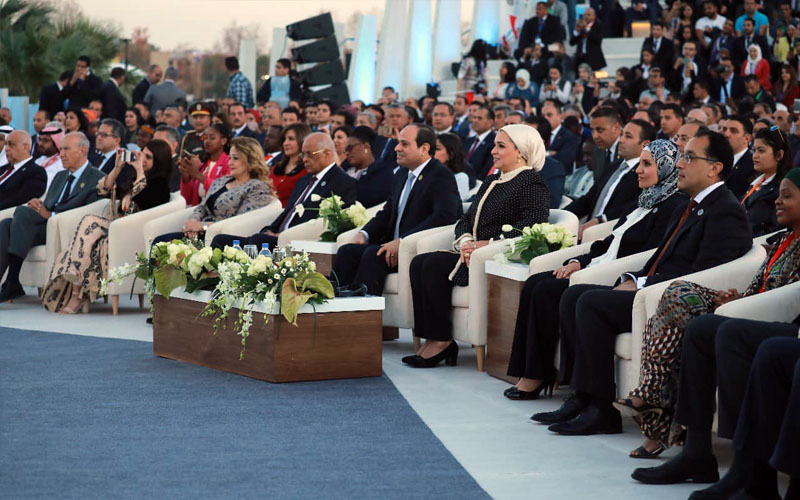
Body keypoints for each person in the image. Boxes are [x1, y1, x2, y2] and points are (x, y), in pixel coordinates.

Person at [534, 129, 752, 437]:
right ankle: (582, 396)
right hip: (654, 287)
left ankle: (601, 410)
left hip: (672, 301)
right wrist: (634, 279)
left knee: (591, 302)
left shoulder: (725, 210)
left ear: (715, 168)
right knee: (574, 295)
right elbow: (660, 257)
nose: (680, 164)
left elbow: (703, 274)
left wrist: (643, 284)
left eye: (689, 157)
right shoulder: (690, 203)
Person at [616, 169, 800, 460]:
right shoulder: (783, 241)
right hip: (747, 307)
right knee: (677, 294)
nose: (777, 201)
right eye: (778, 195)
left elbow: (783, 297)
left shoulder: (731, 212)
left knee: (696, 325)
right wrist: (736, 299)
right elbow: (759, 289)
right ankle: (674, 426)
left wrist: (743, 304)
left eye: (787, 196)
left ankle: (656, 408)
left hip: (769, 319)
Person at [505, 139, 685, 400]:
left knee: (547, 290)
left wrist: (589, 268)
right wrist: (579, 261)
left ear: (666, 167)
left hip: (616, 273)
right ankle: (530, 370)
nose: (638, 170)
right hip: (598, 264)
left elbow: (647, 254)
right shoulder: (645, 200)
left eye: (647, 164)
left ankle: (547, 378)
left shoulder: (673, 206)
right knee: (535, 282)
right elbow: (609, 241)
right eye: (640, 163)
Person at [406, 124, 551, 368]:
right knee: (419, 262)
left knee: (432, 264)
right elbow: (465, 219)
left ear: (521, 151)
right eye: (494, 145)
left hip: (494, 256)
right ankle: (431, 337)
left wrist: (487, 245)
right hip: (470, 252)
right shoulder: (492, 180)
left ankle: (442, 341)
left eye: (501, 146)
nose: (493, 151)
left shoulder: (532, 182)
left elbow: (532, 226)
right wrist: (465, 242)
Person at [42, 140, 173, 314]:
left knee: (90, 222)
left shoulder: (160, 185)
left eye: (148, 157)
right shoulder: (134, 178)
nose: (143, 160)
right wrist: (117, 168)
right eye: (142, 155)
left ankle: (76, 283)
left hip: (132, 234)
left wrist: (140, 170)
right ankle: (75, 290)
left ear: (159, 161)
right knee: (87, 237)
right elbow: (104, 190)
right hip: (115, 229)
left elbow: (142, 199)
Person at [332, 125, 462, 296]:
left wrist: (402, 241)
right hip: (391, 246)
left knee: (373, 254)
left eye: (404, 144)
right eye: (398, 142)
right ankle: (334, 303)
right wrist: (364, 234)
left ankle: (364, 308)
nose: (396, 148)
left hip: (415, 249)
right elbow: (387, 212)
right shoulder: (401, 173)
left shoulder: (441, 175)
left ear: (424, 149)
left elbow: (444, 217)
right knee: (347, 251)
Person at [0, 133, 105, 303]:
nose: (61, 154)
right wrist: (39, 205)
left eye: (66, 149)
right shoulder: (60, 176)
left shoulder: (97, 178)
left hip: (66, 230)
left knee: (21, 213)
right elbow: (49, 204)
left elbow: (88, 214)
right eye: (60, 149)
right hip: (46, 227)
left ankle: (12, 280)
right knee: (7, 224)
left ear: (82, 150)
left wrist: (51, 215)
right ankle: (10, 283)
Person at [209, 133, 356, 251]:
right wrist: (269, 230)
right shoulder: (304, 180)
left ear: (327, 154)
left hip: (297, 242)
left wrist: (282, 235)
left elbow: (327, 223)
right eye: (303, 155)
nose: (304, 159)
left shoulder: (343, 182)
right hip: (275, 238)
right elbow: (288, 212)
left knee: (258, 241)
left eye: (310, 154)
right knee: (221, 240)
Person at [565, 114, 650, 240]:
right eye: (622, 135)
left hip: (611, 235)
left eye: (628, 136)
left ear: (645, 144)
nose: (620, 140)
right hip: (586, 231)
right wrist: (562, 215)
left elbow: (633, 207)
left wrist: (600, 220)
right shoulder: (614, 166)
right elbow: (589, 198)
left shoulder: (645, 173)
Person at [741, 126, 793, 236]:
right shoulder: (755, 182)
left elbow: (778, 230)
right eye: (754, 150)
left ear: (779, 155)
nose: (755, 156)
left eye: (761, 150)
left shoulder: (784, 189)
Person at [179, 123, 231, 206]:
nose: (207, 141)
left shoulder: (229, 163)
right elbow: (187, 199)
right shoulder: (204, 165)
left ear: (223, 141)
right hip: (198, 209)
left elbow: (222, 191)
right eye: (205, 138)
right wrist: (186, 177)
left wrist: (197, 175)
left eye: (212, 138)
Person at [343, 126, 393, 208]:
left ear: (366, 146)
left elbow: (367, 197)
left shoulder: (382, 170)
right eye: (346, 150)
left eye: (350, 148)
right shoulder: (344, 167)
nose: (347, 153)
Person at [0, 131, 47, 210]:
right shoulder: (3, 169)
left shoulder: (36, 172)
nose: (6, 149)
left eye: (11, 144)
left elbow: (20, 200)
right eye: (6, 144)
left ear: (25, 147)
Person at [268, 123, 310, 207]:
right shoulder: (276, 168)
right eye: (284, 139)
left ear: (302, 141)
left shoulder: (307, 170)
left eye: (291, 139)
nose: (285, 143)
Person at [722, 115, 756, 198]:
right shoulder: (713, 158)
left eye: (733, 131)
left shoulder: (753, 165)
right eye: (725, 129)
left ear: (747, 138)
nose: (726, 134)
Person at [542, 100, 578, 174]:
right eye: (543, 116)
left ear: (560, 116)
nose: (545, 118)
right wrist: (549, 154)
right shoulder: (538, 134)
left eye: (549, 115)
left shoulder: (570, 137)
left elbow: (564, 160)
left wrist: (543, 154)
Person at [462, 106, 497, 180]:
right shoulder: (468, 141)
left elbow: (486, 170)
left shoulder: (494, 142)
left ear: (490, 122)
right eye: (474, 117)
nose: (475, 120)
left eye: (479, 118)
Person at [34, 123, 66, 191]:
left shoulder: (63, 163)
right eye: (40, 139)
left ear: (57, 142)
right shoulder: (38, 161)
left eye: (45, 140)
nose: (40, 144)